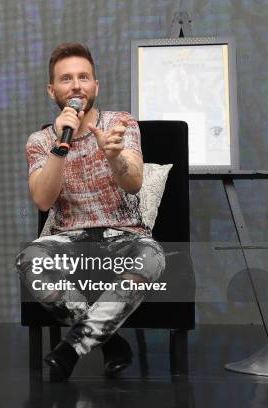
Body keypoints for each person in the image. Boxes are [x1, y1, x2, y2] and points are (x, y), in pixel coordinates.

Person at [16, 43, 165, 380]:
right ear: (53, 91)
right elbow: (42, 200)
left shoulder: (120, 123)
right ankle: (111, 342)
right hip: (71, 241)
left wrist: (113, 156)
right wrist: (60, 146)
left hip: (124, 237)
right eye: (66, 79)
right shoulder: (40, 141)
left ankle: (70, 349)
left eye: (84, 77)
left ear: (95, 86)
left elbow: (134, 184)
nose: (77, 85)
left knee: (152, 256)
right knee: (30, 258)